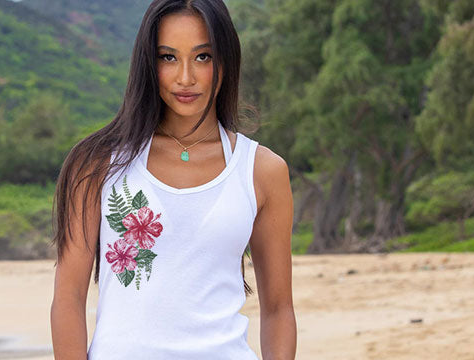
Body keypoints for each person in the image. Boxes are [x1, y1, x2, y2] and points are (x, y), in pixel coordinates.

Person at [47, 0, 295, 358]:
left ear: (226, 60)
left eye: (203, 57)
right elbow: (68, 299)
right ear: (148, 63)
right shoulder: (97, 163)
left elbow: (278, 309)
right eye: (168, 57)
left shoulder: (262, 170)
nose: (185, 77)